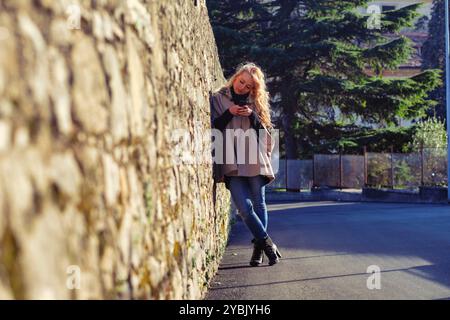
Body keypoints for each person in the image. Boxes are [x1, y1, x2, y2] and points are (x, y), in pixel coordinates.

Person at [209, 62, 282, 266]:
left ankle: (258, 251)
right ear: (235, 77)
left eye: (248, 86)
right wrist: (230, 112)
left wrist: (252, 116)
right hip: (231, 159)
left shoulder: (255, 103)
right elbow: (214, 127)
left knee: (259, 204)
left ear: (253, 89)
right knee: (244, 208)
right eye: (241, 82)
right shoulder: (218, 98)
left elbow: (266, 136)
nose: (242, 87)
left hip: (255, 158)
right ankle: (267, 243)